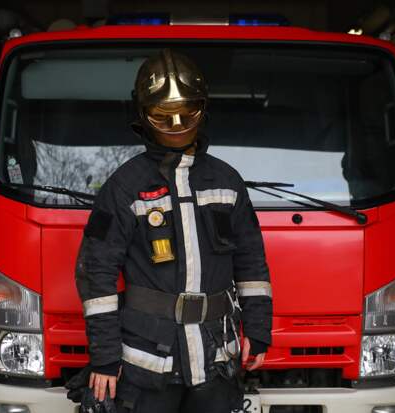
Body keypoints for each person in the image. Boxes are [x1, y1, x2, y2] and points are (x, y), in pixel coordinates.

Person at [67, 48, 272, 413]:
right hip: (147, 362)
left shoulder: (227, 182)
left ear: (203, 107)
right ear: (143, 114)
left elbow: (251, 263)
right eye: (163, 114)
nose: (176, 123)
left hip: (216, 357)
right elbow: (96, 272)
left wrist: (257, 331)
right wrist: (105, 357)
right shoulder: (123, 186)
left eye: (186, 111)